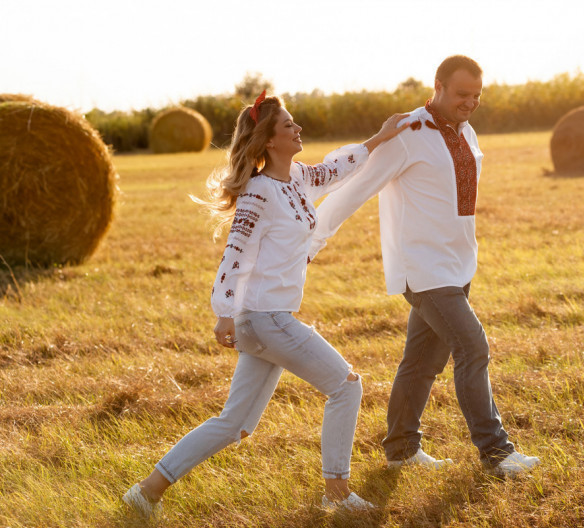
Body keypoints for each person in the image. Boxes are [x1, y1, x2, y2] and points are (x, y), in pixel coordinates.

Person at [122, 91, 410, 520]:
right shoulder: (258, 192)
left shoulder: (298, 178)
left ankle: (145, 492)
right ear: (270, 140)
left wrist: (380, 137)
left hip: (267, 320)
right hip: (264, 318)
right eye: (289, 125)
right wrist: (223, 312)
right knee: (346, 386)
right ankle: (337, 493)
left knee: (235, 424)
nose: (298, 129)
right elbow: (234, 252)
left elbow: (336, 169)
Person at [309, 56, 540, 477]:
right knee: (472, 347)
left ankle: (400, 448)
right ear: (438, 85)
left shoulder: (466, 130)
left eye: (477, 95)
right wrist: (310, 242)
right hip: (423, 269)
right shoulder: (408, 133)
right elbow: (355, 190)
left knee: (421, 363)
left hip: (458, 265)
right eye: (461, 94)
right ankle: (496, 453)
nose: (470, 102)